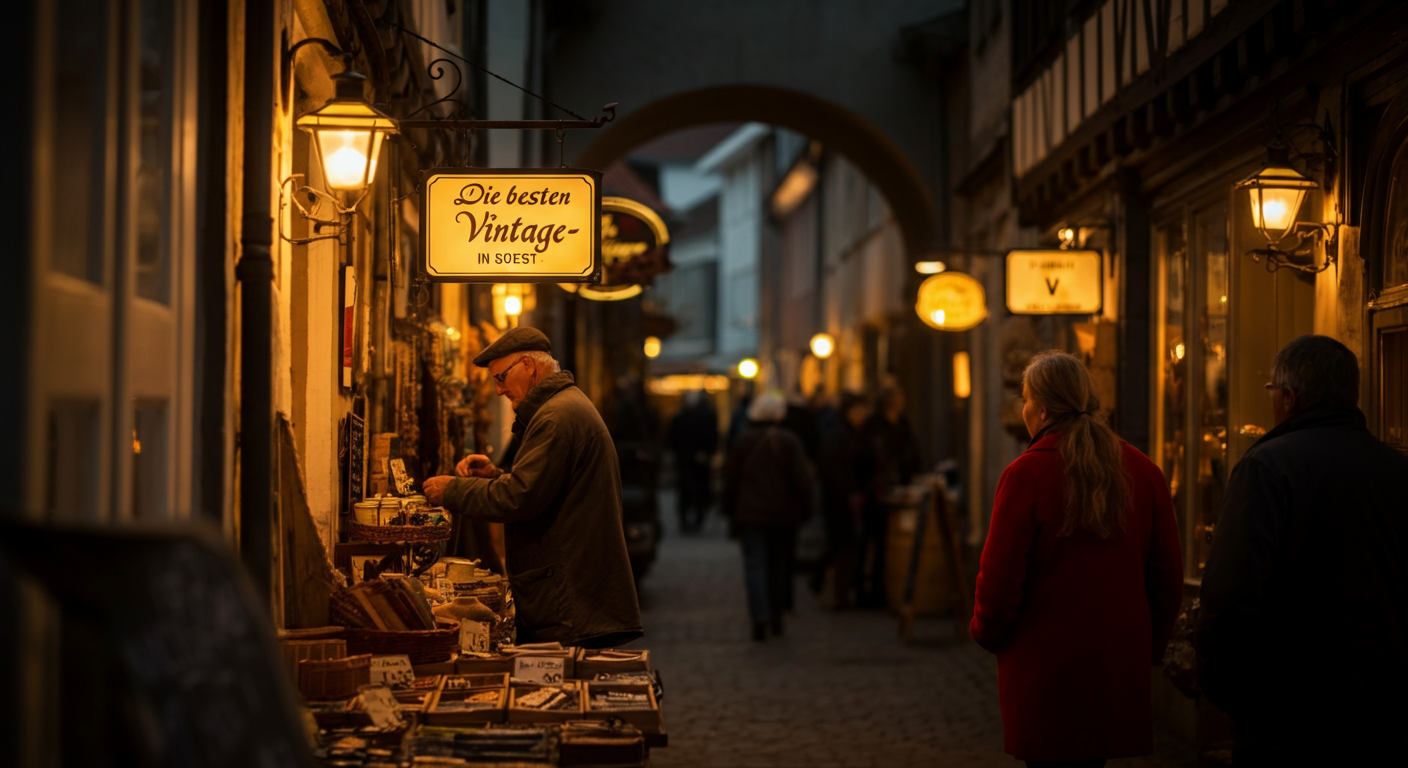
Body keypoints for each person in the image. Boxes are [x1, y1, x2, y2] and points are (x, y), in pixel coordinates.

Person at [1196, 335, 1408, 764]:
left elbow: (1231, 592)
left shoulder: (1267, 467)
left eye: (1273, 391)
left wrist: (1222, 688)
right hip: (1385, 708)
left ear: (1289, 397)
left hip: (1286, 714)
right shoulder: (1397, 469)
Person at [971, 350, 1183, 767]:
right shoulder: (1142, 470)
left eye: (1026, 399)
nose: (1024, 408)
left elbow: (999, 577)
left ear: (1044, 409)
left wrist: (987, 631)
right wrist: (1147, 648)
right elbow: (1167, 576)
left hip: (1044, 662)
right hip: (1114, 659)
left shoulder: (1026, 474)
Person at [423, 327, 643, 648]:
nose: (498, 390)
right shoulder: (561, 407)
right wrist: (496, 476)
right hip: (574, 592)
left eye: (501, 377)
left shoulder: (555, 416)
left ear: (528, 365)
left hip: (570, 599)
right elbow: (543, 487)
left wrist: (453, 490)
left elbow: (519, 498)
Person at [722, 392, 813, 641]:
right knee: (777, 566)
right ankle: (776, 617)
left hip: (750, 514)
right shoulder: (789, 440)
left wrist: (729, 510)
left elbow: (730, 479)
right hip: (781, 515)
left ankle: (759, 618)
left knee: (755, 566)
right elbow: (802, 481)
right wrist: (805, 510)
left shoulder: (743, 441)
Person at [856, 386, 921, 607]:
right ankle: (867, 591)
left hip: (897, 488)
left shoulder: (902, 423)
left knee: (887, 542)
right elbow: (865, 457)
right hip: (875, 492)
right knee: (871, 541)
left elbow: (911, 452)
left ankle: (885, 588)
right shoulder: (873, 425)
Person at [814, 392, 874, 609]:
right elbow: (833, 470)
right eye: (859, 410)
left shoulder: (854, 434)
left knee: (846, 546)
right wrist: (848, 491)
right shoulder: (838, 436)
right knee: (843, 547)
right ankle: (837, 592)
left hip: (849, 498)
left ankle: (842, 590)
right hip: (841, 501)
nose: (863, 415)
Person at [666, 390, 718, 533]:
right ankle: (688, 521)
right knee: (688, 492)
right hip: (687, 461)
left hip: (694, 462)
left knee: (695, 491)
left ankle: (693, 520)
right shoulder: (680, 419)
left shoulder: (702, 417)